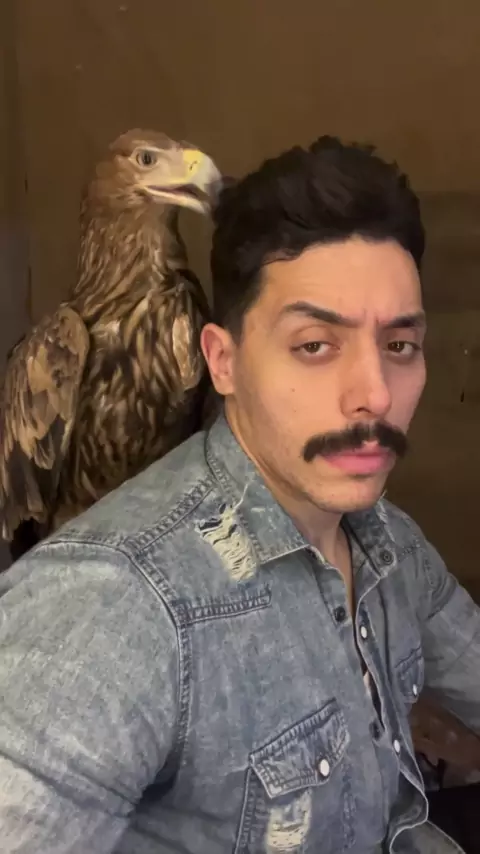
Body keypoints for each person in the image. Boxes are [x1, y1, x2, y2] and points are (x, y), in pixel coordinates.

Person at [0, 136, 478, 854]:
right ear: (220, 361)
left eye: (399, 346)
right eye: (315, 345)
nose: (375, 395)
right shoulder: (106, 607)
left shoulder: (386, 539)